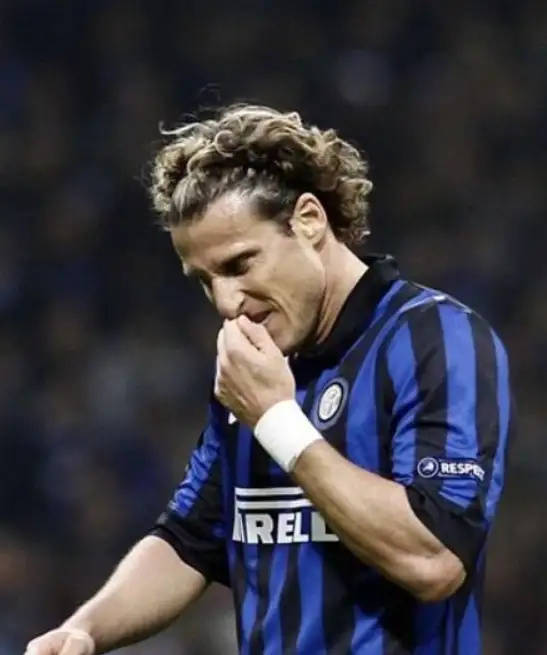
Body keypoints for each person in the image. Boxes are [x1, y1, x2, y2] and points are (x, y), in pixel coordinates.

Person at [25, 104, 513, 655]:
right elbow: (189, 539)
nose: (226, 302)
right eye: (204, 280)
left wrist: (277, 420)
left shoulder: (435, 339)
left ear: (309, 220)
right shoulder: (257, 367)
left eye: (240, 265)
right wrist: (85, 629)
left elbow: (434, 559)